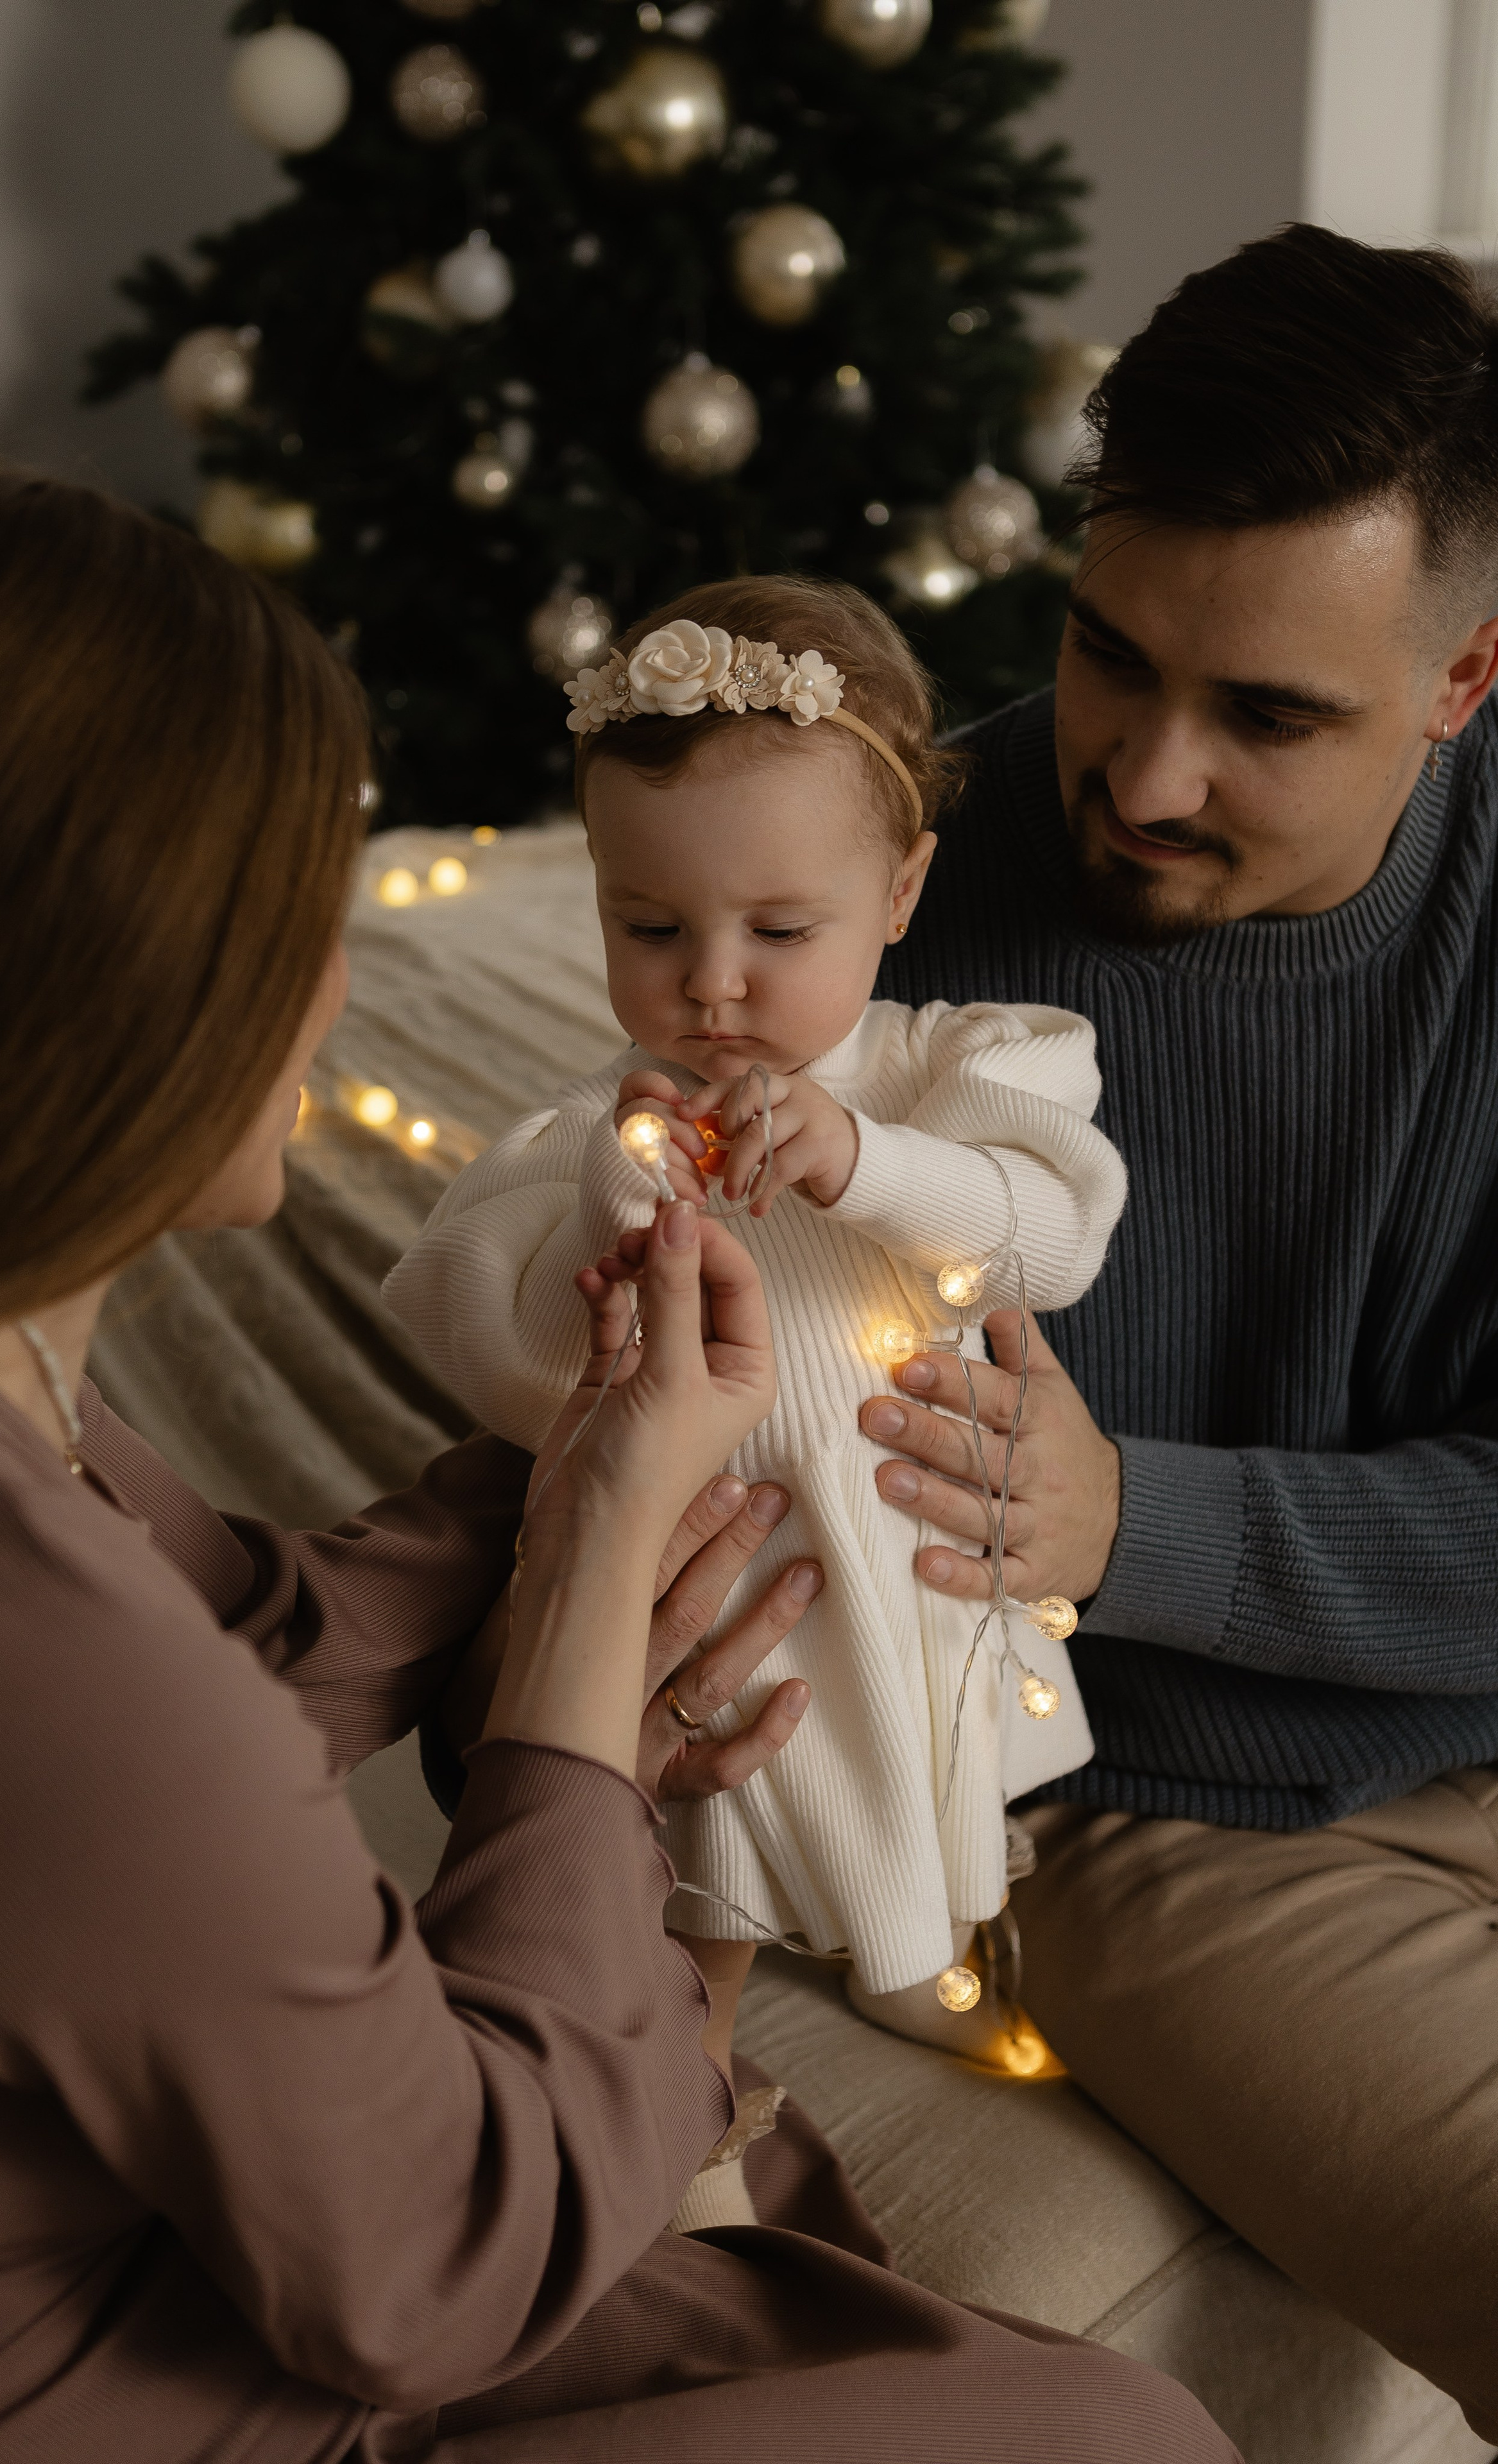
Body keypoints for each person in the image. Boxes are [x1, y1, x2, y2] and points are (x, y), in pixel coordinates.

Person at [0, 463, 1236, 2464]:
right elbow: (447, 2264)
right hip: (230, 2353)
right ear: (101, 1003)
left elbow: (254, 1643)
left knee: (1087, 2414)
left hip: (231, 2252)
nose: (333, 984)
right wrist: (593, 1592)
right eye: (290, 915)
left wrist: (602, 1471)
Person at [866, 221, 1498, 2442]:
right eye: (1111, 657)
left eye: (1269, 719)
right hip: (1166, 1825)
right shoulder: (895, 894)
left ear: (1468, 674)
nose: (1140, 777)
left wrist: (1140, 1511)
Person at [384, 576, 1128, 2199]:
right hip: (718, 1580)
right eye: (647, 928)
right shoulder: (602, 1127)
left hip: (904, 1571)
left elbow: (1050, 1229)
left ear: (900, 890)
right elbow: (461, 1317)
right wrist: (615, 1197)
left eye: (778, 933)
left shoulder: (955, 1068)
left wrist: (866, 1159)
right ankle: (686, 2138)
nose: (710, 985)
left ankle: (922, 1960)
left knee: (931, 1830)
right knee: (696, 1888)